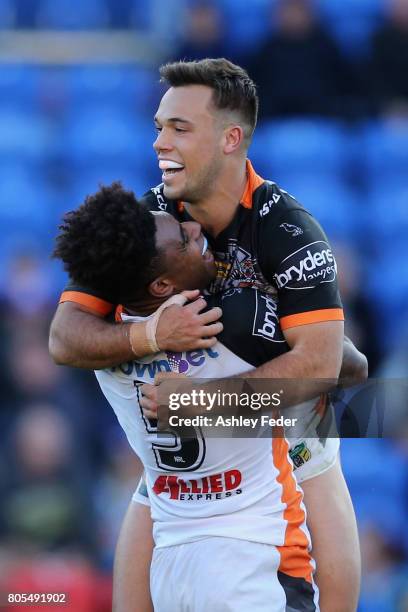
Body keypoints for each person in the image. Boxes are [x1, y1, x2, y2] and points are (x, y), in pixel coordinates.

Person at [49, 59, 364, 611]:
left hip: (277, 449)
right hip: (204, 489)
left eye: (178, 128)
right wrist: (150, 334)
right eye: (158, 127)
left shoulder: (287, 230)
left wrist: (199, 403)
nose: (159, 143)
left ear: (230, 139)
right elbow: (64, 337)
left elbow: (333, 367)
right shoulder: (145, 225)